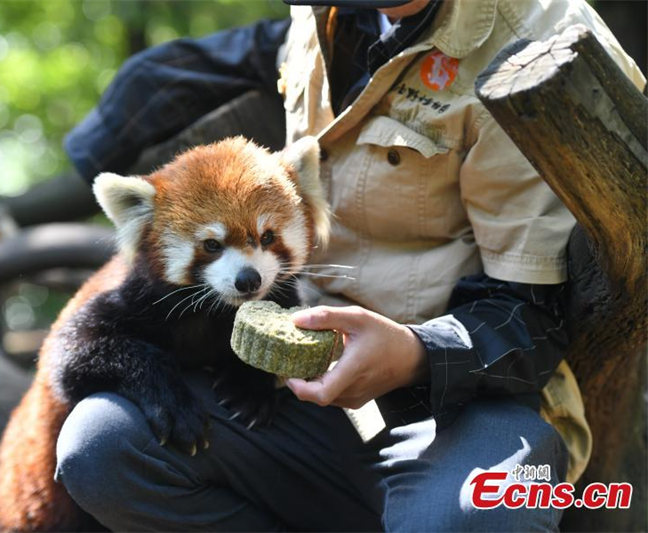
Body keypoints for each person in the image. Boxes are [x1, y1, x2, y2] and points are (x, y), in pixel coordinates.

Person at [55, 0, 646, 530]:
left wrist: (415, 354)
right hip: (315, 396)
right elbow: (264, 51)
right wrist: (104, 138)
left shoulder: (540, 41)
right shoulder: (330, 15)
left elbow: (534, 316)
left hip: (463, 409)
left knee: (470, 517)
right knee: (104, 448)